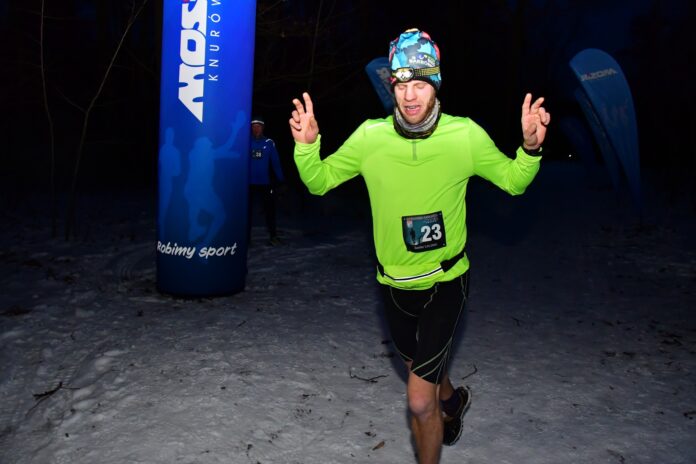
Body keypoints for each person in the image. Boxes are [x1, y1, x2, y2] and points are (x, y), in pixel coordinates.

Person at [288, 28, 550, 464]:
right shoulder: (370, 138)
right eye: (402, 84)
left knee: (417, 399)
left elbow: (512, 181)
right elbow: (320, 182)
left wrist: (530, 148)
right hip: (393, 287)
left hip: (446, 282)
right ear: (392, 85)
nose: (410, 96)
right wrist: (307, 148)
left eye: (421, 84)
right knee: (425, 373)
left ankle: (436, 417)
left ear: (436, 85)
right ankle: (453, 401)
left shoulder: (464, 136)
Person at [249, 117, 284, 245]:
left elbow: (275, 162)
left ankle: (273, 236)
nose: (256, 129)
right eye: (253, 126)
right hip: (248, 184)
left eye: (258, 126)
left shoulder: (269, 142)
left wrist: (281, 179)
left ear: (263, 127)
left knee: (270, 210)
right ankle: (245, 239)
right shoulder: (245, 142)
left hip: (265, 183)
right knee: (246, 212)